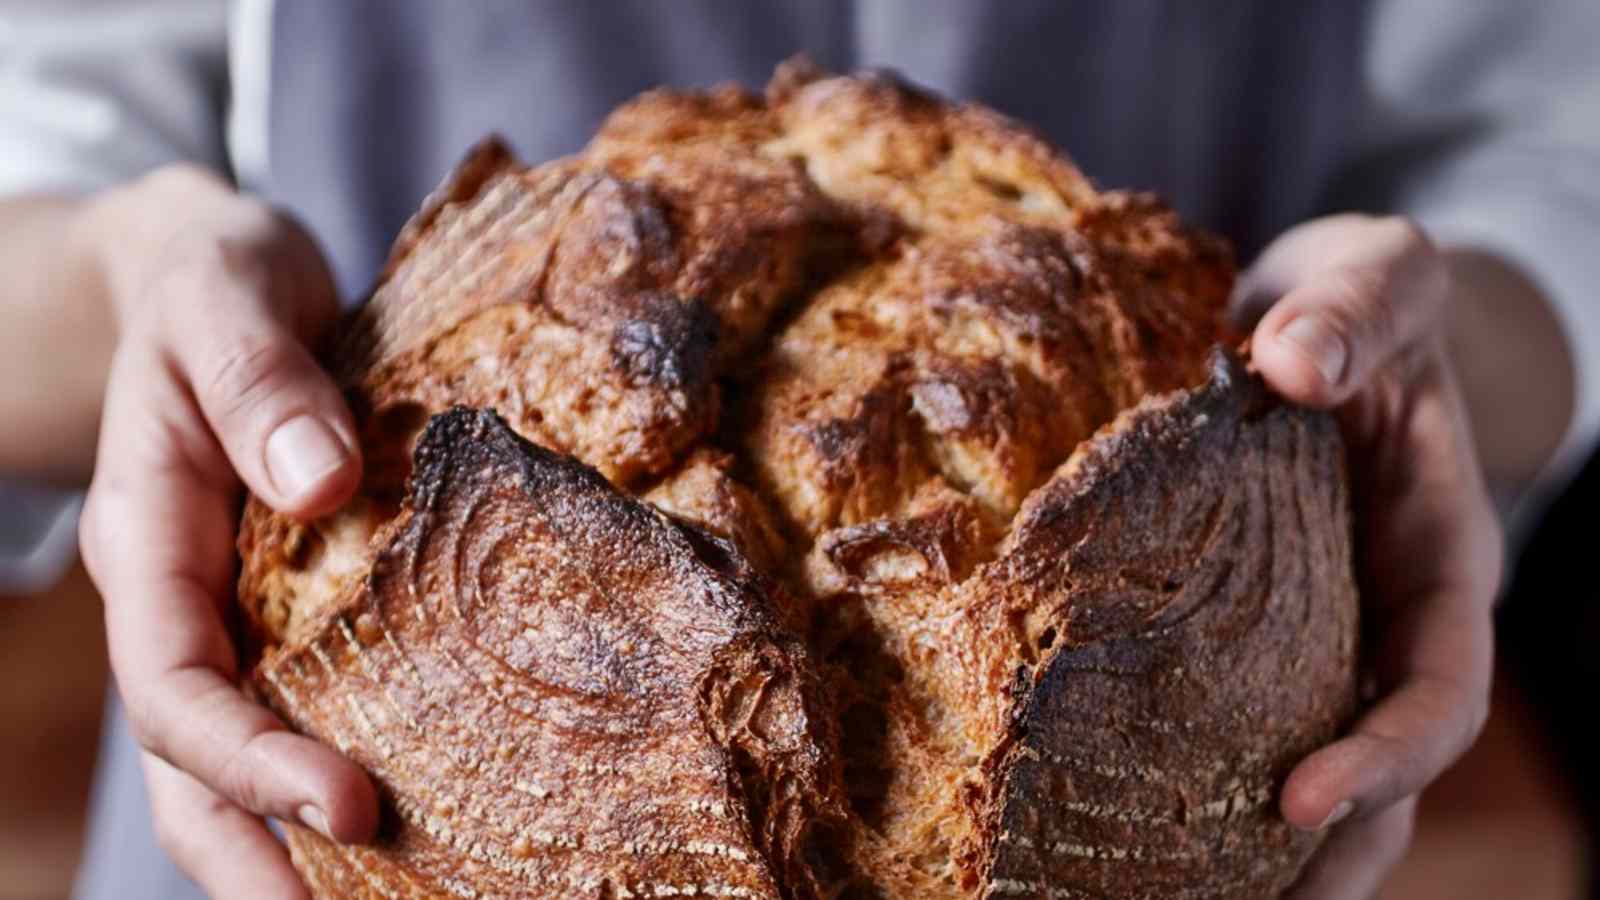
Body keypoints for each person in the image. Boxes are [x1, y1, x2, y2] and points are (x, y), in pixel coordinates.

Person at [0, 2, 1595, 898]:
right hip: (337, 784)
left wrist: (1422, 366)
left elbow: (1555, 157)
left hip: (1164, 740)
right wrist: (139, 276)